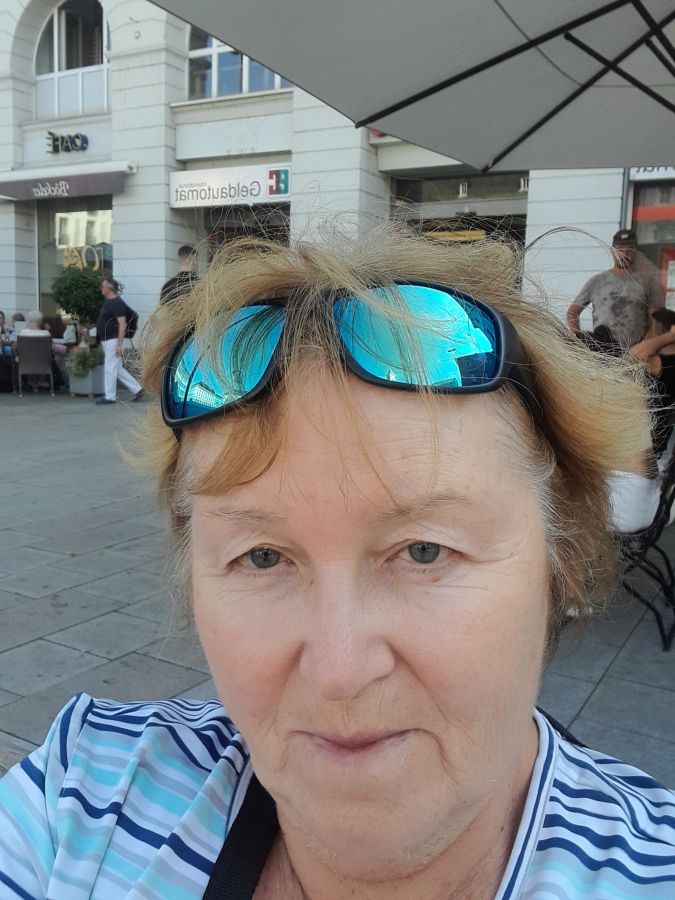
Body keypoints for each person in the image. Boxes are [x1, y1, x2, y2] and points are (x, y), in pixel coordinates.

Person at [1, 228, 674, 899]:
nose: (338, 674)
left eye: (424, 550)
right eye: (261, 556)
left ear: (560, 560)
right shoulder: (81, 795)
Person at [566, 228, 664, 348]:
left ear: (635, 251)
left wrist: (644, 349)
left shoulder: (647, 282)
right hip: (603, 351)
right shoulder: (597, 281)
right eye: (620, 249)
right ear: (613, 251)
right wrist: (579, 339)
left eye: (629, 249)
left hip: (634, 353)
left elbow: (655, 321)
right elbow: (572, 312)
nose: (625, 253)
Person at [95, 277, 143, 404]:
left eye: (103, 286)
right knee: (117, 368)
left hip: (113, 340)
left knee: (110, 367)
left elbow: (122, 324)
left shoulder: (117, 303)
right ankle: (138, 389)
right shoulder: (109, 302)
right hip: (108, 340)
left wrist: (119, 344)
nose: (101, 288)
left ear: (109, 288)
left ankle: (110, 397)